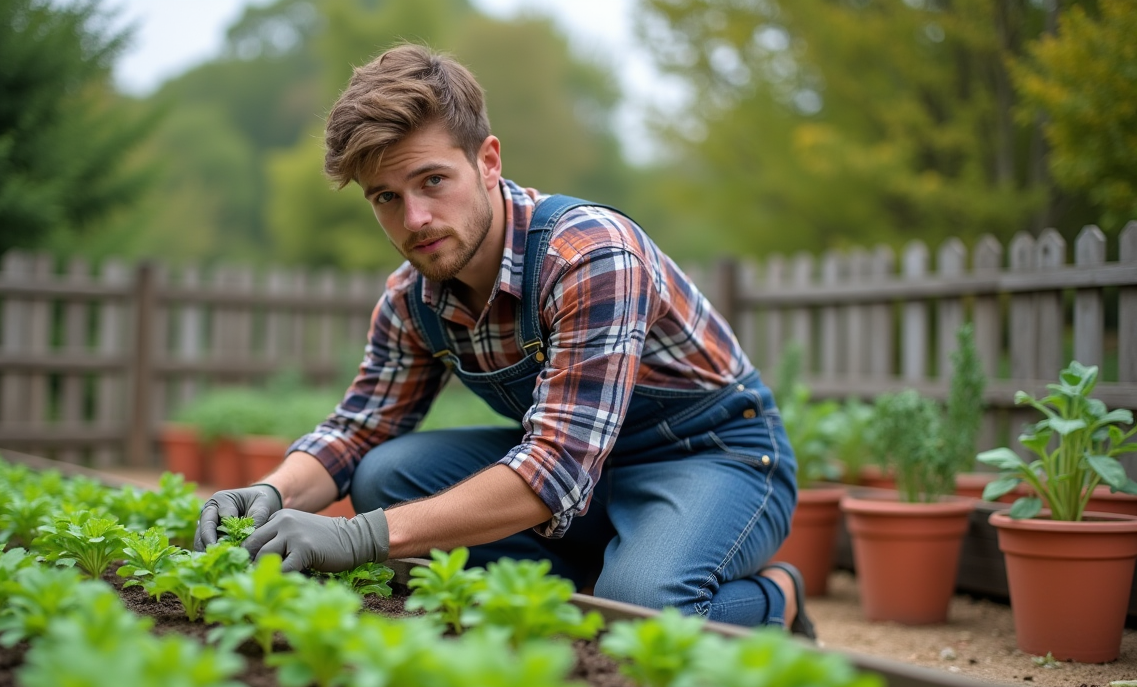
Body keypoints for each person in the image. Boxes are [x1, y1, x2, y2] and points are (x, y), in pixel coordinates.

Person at [194, 43, 814, 637]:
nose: (414, 220)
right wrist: (271, 492)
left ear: (488, 161)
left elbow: (554, 467)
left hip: (708, 457)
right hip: (586, 477)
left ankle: (773, 598)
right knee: (385, 475)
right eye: (386, 197)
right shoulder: (412, 299)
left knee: (640, 610)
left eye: (432, 181)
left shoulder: (591, 256)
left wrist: (359, 537)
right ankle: (605, 577)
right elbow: (361, 428)